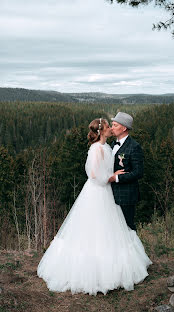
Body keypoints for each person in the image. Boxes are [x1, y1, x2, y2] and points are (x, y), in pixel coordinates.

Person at [37, 118, 152, 296]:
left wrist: (111, 176)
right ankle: (93, 272)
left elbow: (127, 169)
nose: (111, 129)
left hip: (107, 192)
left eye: (113, 126)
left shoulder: (107, 146)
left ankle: (114, 268)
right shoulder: (97, 148)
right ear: (101, 131)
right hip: (97, 191)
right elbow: (93, 174)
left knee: (109, 230)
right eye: (108, 126)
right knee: (93, 229)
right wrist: (110, 177)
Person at [110, 112, 143, 231]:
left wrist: (117, 178)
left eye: (115, 125)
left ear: (124, 128)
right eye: (112, 124)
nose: (111, 128)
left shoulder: (134, 147)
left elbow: (138, 172)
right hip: (111, 194)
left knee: (127, 228)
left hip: (126, 196)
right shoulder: (112, 144)